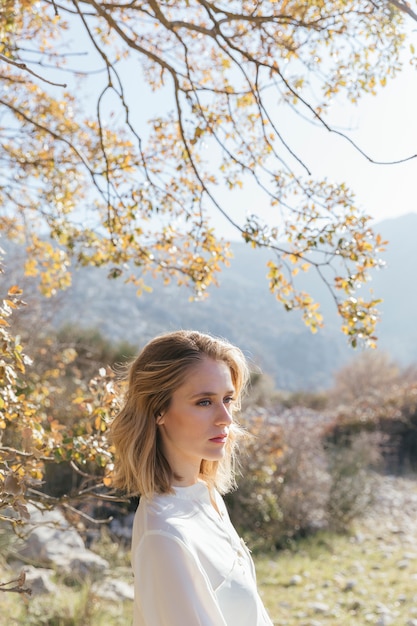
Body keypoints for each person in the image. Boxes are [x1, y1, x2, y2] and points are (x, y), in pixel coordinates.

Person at [111, 330, 273, 626]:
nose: (225, 417)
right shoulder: (165, 535)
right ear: (158, 409)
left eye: (227, 399)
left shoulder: (205, 496)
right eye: (204, 402)